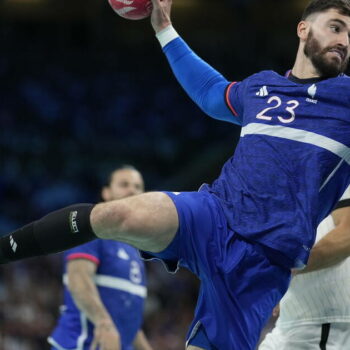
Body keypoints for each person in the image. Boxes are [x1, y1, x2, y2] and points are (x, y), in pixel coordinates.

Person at [0, 0, 350, 349]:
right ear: (303, 29)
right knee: (117, 213)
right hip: (214, 214)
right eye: (336, 27)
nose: (344, 40)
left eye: (349, 35)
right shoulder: (262, 87)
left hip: (263, 260)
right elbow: (210, 93)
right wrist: (164, 28)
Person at [48, 166, 153, 350]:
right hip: (81, 344)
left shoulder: (135, 248)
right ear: (106, 192)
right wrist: (104, 324)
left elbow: (129, 321)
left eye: (138, 186)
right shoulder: (90, 230)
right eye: (124, 184)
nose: (132, 190)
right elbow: (78, 279)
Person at [259, 186, 350, 350]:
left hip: (323, 322)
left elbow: (347, 235)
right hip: (292, 320)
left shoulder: (340, 171)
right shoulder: (286, 186)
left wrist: (289, 267)